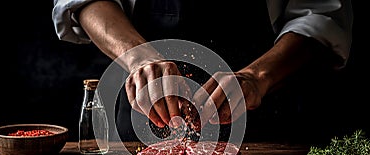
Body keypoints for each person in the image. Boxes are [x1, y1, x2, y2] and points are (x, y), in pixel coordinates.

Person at [52, 0, 353, 142]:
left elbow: (322, 15)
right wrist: (138, 57)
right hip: (140, 119)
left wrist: (257, 77)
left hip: (265, 122)